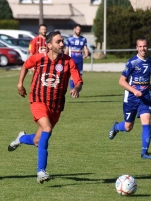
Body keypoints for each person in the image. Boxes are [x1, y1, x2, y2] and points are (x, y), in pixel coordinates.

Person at [8, 31, 83, 183]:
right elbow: (25, 66)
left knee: (37, 140)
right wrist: (19, 84)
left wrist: (76, 88)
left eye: (62, 41)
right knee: (47, 129)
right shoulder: (38, 58)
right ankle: (41, 171)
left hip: (56, 106)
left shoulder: (68, 62)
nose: (62, 44)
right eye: (58, 42)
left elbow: (79, 81)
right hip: (38, 101)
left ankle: (21, 138)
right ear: (49, 45)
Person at [108, 36, 151, 159]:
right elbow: (121, 81)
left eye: (145, 46)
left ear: (148, 47)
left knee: (147, 121)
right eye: (140, 46)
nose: (143, 48)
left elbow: (146, 78)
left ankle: (144, 152)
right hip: (131, 98)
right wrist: (134, 91)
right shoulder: (131, 62)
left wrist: (150, 89)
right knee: (128, 127)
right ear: (136, 48)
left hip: (145, 98)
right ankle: (116, 127)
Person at [64, 24, 89, 91]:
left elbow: (85, 48)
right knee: (72, 75)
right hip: (72, 59)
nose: (78, 31)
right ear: (74, 29)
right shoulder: (69, 39)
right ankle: (73, 90)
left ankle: (76, 90)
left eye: (80, 30)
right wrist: (63, 57)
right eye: (77, 29)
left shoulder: (83, 39)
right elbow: (66, 49)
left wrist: (86, 53)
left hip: (80, 59)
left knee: (79, 76)